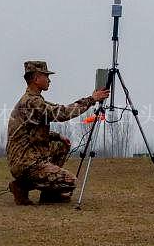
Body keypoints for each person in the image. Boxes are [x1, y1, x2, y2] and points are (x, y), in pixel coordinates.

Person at [6, 60, 110, 205]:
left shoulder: (34, 100)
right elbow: (61, 113)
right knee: (70, 181)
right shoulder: (31, 103)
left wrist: (58, 136)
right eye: (46, 76)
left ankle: (47, 193)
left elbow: (33, 132)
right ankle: (21, 186)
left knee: (61, 144)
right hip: (26, 163)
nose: (49, 80)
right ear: (36, 79)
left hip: (29, 159)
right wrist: (92, 99)